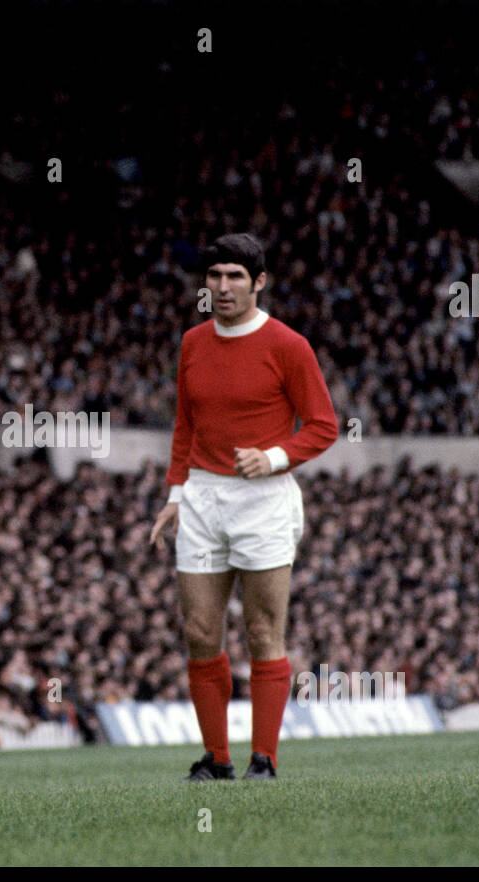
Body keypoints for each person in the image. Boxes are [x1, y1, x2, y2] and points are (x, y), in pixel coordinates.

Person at [149, 233, 338, 781]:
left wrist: (276, 456)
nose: (223, 287)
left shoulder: (288, 345)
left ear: (259, 282)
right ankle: (217, 759)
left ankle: (265, 759)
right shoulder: (192, 343)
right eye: (214, 276)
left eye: (234, 276)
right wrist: (174, 495)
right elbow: (186, 423)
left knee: (261, 632)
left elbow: (324, 425)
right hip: (203, 496)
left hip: (264, 500)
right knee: (201, 631)